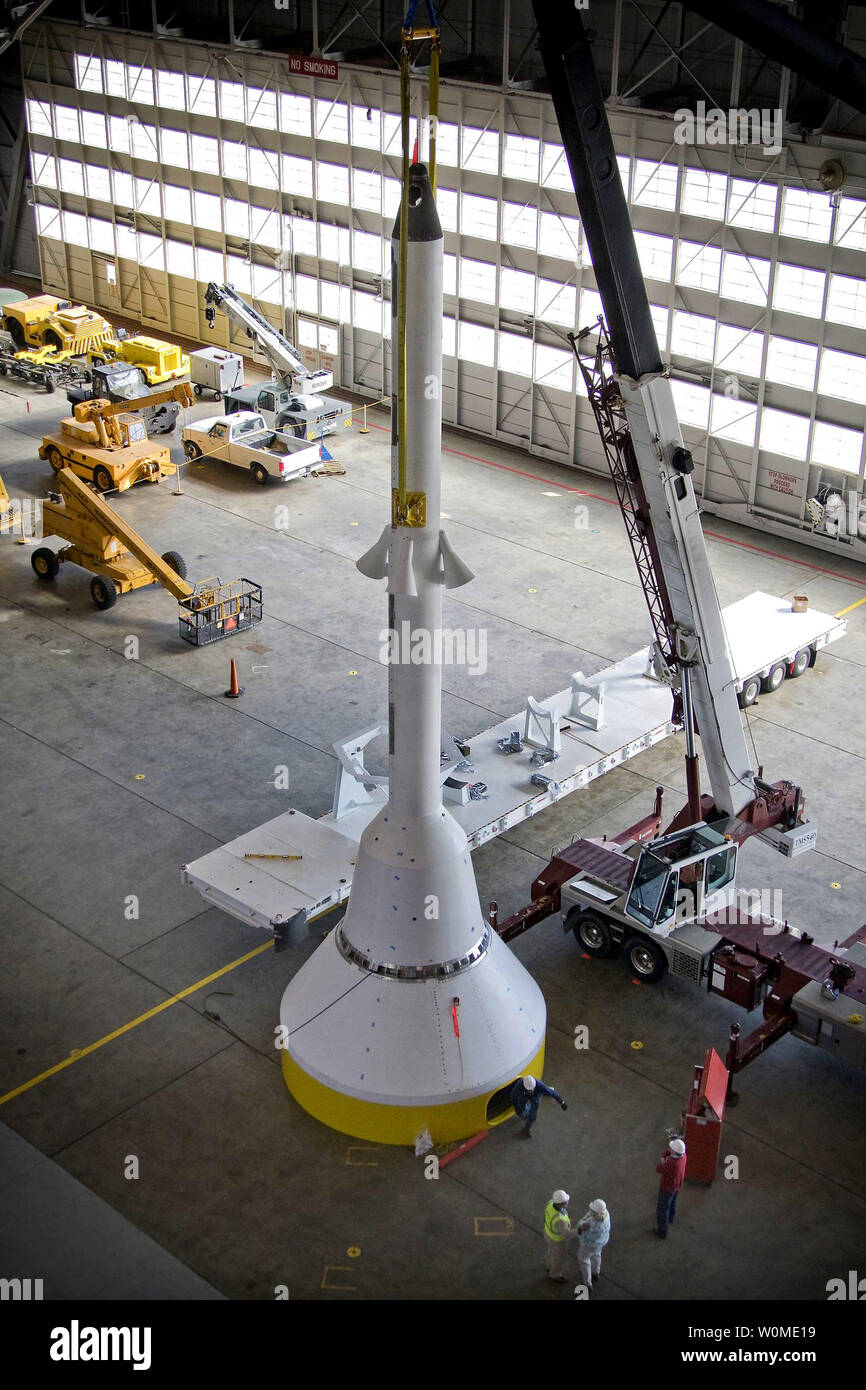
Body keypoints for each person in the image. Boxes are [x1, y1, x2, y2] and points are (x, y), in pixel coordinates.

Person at [510, 1074, 567, 1138]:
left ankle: (526, 1130)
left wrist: (562, 1102)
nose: (531, 1090)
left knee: (533, 1115)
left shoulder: (539, 1085)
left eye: (532, 1089)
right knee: (520, 1108)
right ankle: (524, 1114)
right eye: (529, 1089)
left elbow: (553, 1093)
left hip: (536, 1096)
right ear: (524, 1086)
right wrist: (515, 1104)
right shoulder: (520, 1085)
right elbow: (513, 1094)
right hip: (524, 1095)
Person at [655, 1137, 687, 1238]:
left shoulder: (672, 1163)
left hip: (667, 1187)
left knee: (662, 1208)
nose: (670, 1149)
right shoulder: (683, 1156)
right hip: (676, 1185)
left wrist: (662, 1161)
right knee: (672, 1202)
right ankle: (671, 1217)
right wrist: (667, 1153)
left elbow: (659, 1169)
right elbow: (669, 1152)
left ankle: (662, 1230)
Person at [576, 1198, 611, 1289]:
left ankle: (587, 1283)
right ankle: (595, 1272)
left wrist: (580, 1225)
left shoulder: (590, 1222)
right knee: (597, 1255)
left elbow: (580, 1225)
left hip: (588, 1244)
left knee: (584, 1260)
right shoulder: (607, 1215)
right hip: (600, 1242)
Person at [543, 1189, 575, 1282]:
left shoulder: (550, 1203)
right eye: (566, 1201)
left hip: (547, 1233)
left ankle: (549, 1266)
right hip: (557, 1240)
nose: (568, 1202)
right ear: (561, 1204)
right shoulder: (560, 1220)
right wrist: (579, 1230)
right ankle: (555, 1274)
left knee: (551, 1251)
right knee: (558, 1258)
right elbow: (567, 1234)